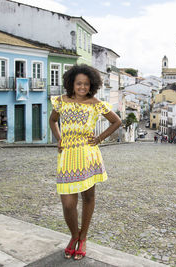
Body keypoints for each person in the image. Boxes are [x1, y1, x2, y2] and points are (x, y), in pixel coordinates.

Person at [49, 64, 121, 260]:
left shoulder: (96, 103)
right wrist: (59, 138)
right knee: (68, 204)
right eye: (78, 83)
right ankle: (74, 235)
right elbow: (52, 120)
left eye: (86, 84)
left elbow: (116, 121)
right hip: (67, 157)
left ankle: (83, 238)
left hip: (88, 156)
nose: (82, 87)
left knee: (88, 198)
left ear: (92, 86)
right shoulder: (61, 102)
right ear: (71, 83)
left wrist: (99, 139)